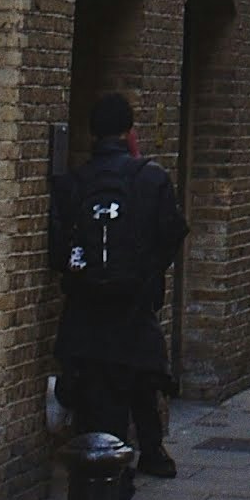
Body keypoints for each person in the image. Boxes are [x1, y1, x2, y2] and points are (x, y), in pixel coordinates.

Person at [49, 88, 186, 476]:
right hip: (136, 304)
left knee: (98, 388)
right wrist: (149, 271)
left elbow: (58, 252)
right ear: (130, 133)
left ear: (92, 134)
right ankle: (152, 452)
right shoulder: (152, 178)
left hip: (87, 309)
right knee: (143, 376)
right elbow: (173, 232)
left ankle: (105, 468)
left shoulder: (73, 183)